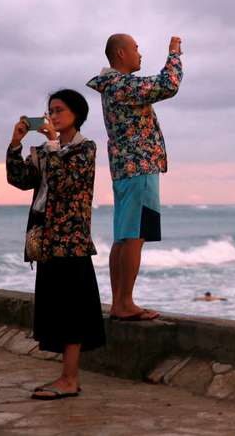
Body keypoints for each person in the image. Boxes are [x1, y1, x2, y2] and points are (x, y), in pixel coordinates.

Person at [7, 89, 105, 400]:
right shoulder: (43, 150)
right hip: (47, 240)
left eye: (60, 109)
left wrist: (52, 144)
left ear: (77, 114)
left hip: (71, 241)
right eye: (51, 110)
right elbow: (20, 179)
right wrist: (15, 144)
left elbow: (65, 182)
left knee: (72, 313)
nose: (53, 115)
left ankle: (70, 379)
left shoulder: (85, 149)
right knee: (57, 312)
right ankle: (67, 378)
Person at [86, 34, 183, 321]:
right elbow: (168, 85)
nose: (140, 54)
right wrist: (174, 54)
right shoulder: (122, 85)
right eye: (136, 48)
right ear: (120, 53)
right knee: (134, 237)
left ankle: (119, 302)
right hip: (139, 167)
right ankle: (124, 303)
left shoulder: (112, 86)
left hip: (125, 170)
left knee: (124, 237)